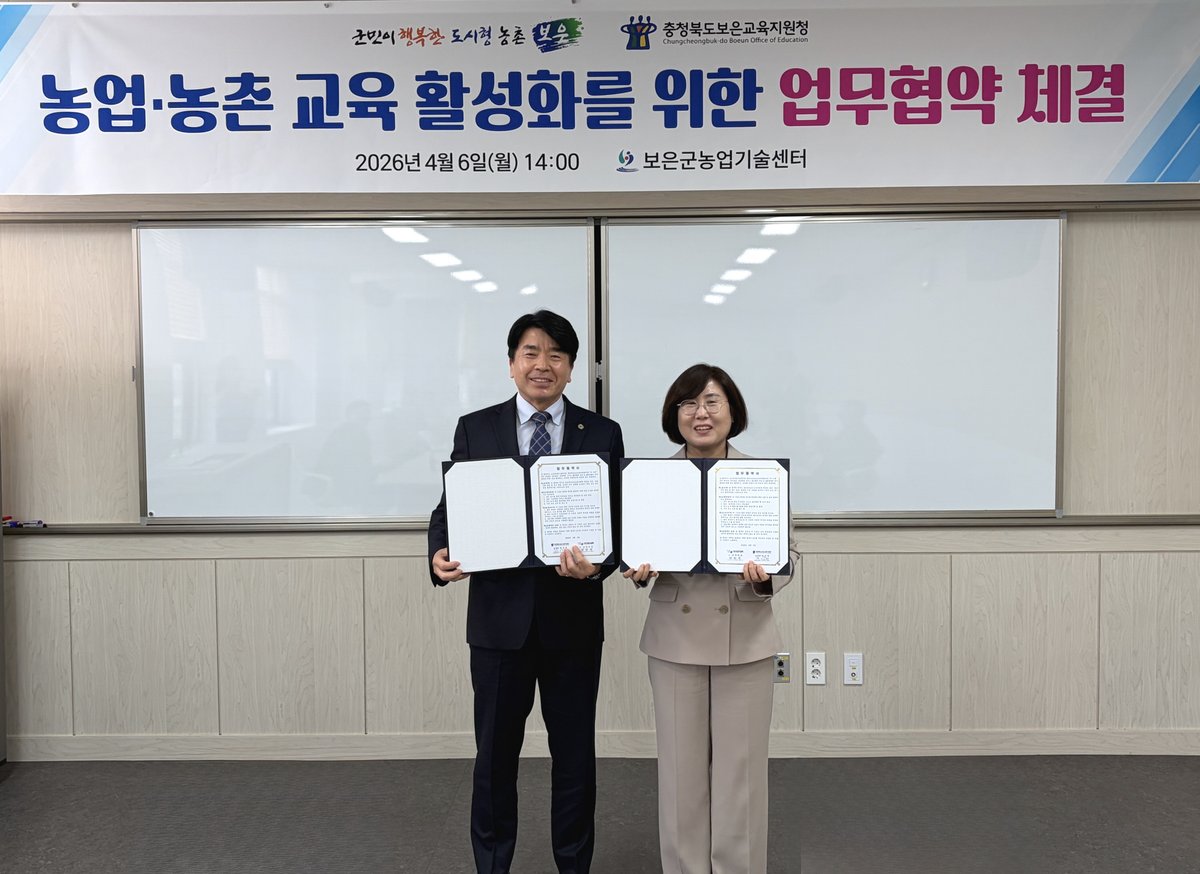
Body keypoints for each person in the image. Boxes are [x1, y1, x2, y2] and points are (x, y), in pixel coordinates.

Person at [427, 310, 624, 874]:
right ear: (511, 363)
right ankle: (493, 865)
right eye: (531, 353)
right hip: (498, 624)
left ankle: (574, 864)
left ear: (571, 369)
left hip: (572, 623)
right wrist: (438, 554)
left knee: (575, 759)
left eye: (556, 355)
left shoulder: (602, 433)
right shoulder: (476, 427)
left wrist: (598, 566)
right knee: (494, 759)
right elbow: (449, 508)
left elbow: (617, 522)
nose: (543, 365)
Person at [623, 363, 799, 874]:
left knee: (740, 776)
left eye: (712, 402)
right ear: (674, 415)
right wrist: (636, 570)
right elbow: (636, 554)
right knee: (680, 776)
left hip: (745, 638)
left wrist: (765, 578)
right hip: (674, 639)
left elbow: (789, 556)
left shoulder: (762, 477)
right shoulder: (649, 481)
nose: (700, 413)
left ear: (732, 412)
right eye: (688, 403)